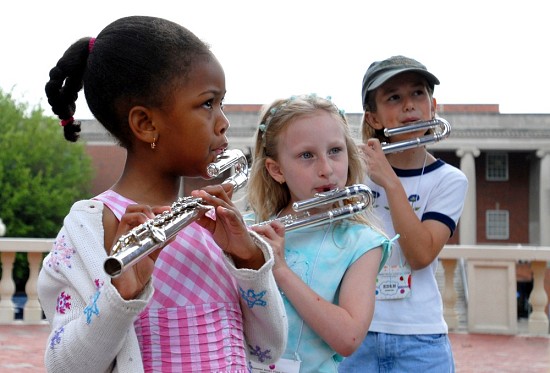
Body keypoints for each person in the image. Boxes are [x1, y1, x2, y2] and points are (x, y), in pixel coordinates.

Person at [37, 16, 287, 372]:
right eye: (207, 104)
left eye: (221, 103)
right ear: (146, 124)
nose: (223, 121)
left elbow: (269, 350)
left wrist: (249, 262)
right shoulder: (90, 231)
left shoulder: (217, 226)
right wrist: (120, 295)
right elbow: (64, 366)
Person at [338, 56, 468, 372]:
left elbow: (420, 253)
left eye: (418, 94)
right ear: (374, 116)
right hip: (354, 333)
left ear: (433, 106)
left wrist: (390, 181)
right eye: (394, 97)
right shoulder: (348, 175)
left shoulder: (450, 180)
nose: (409, 105)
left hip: (421, 340)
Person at [246, 94, 393, 372]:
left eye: (335, 151)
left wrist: (280, 269)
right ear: (276, 170)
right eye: (306, 155)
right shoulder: (251, 227)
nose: (326, 169)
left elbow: (348, 338)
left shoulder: (362, 242)